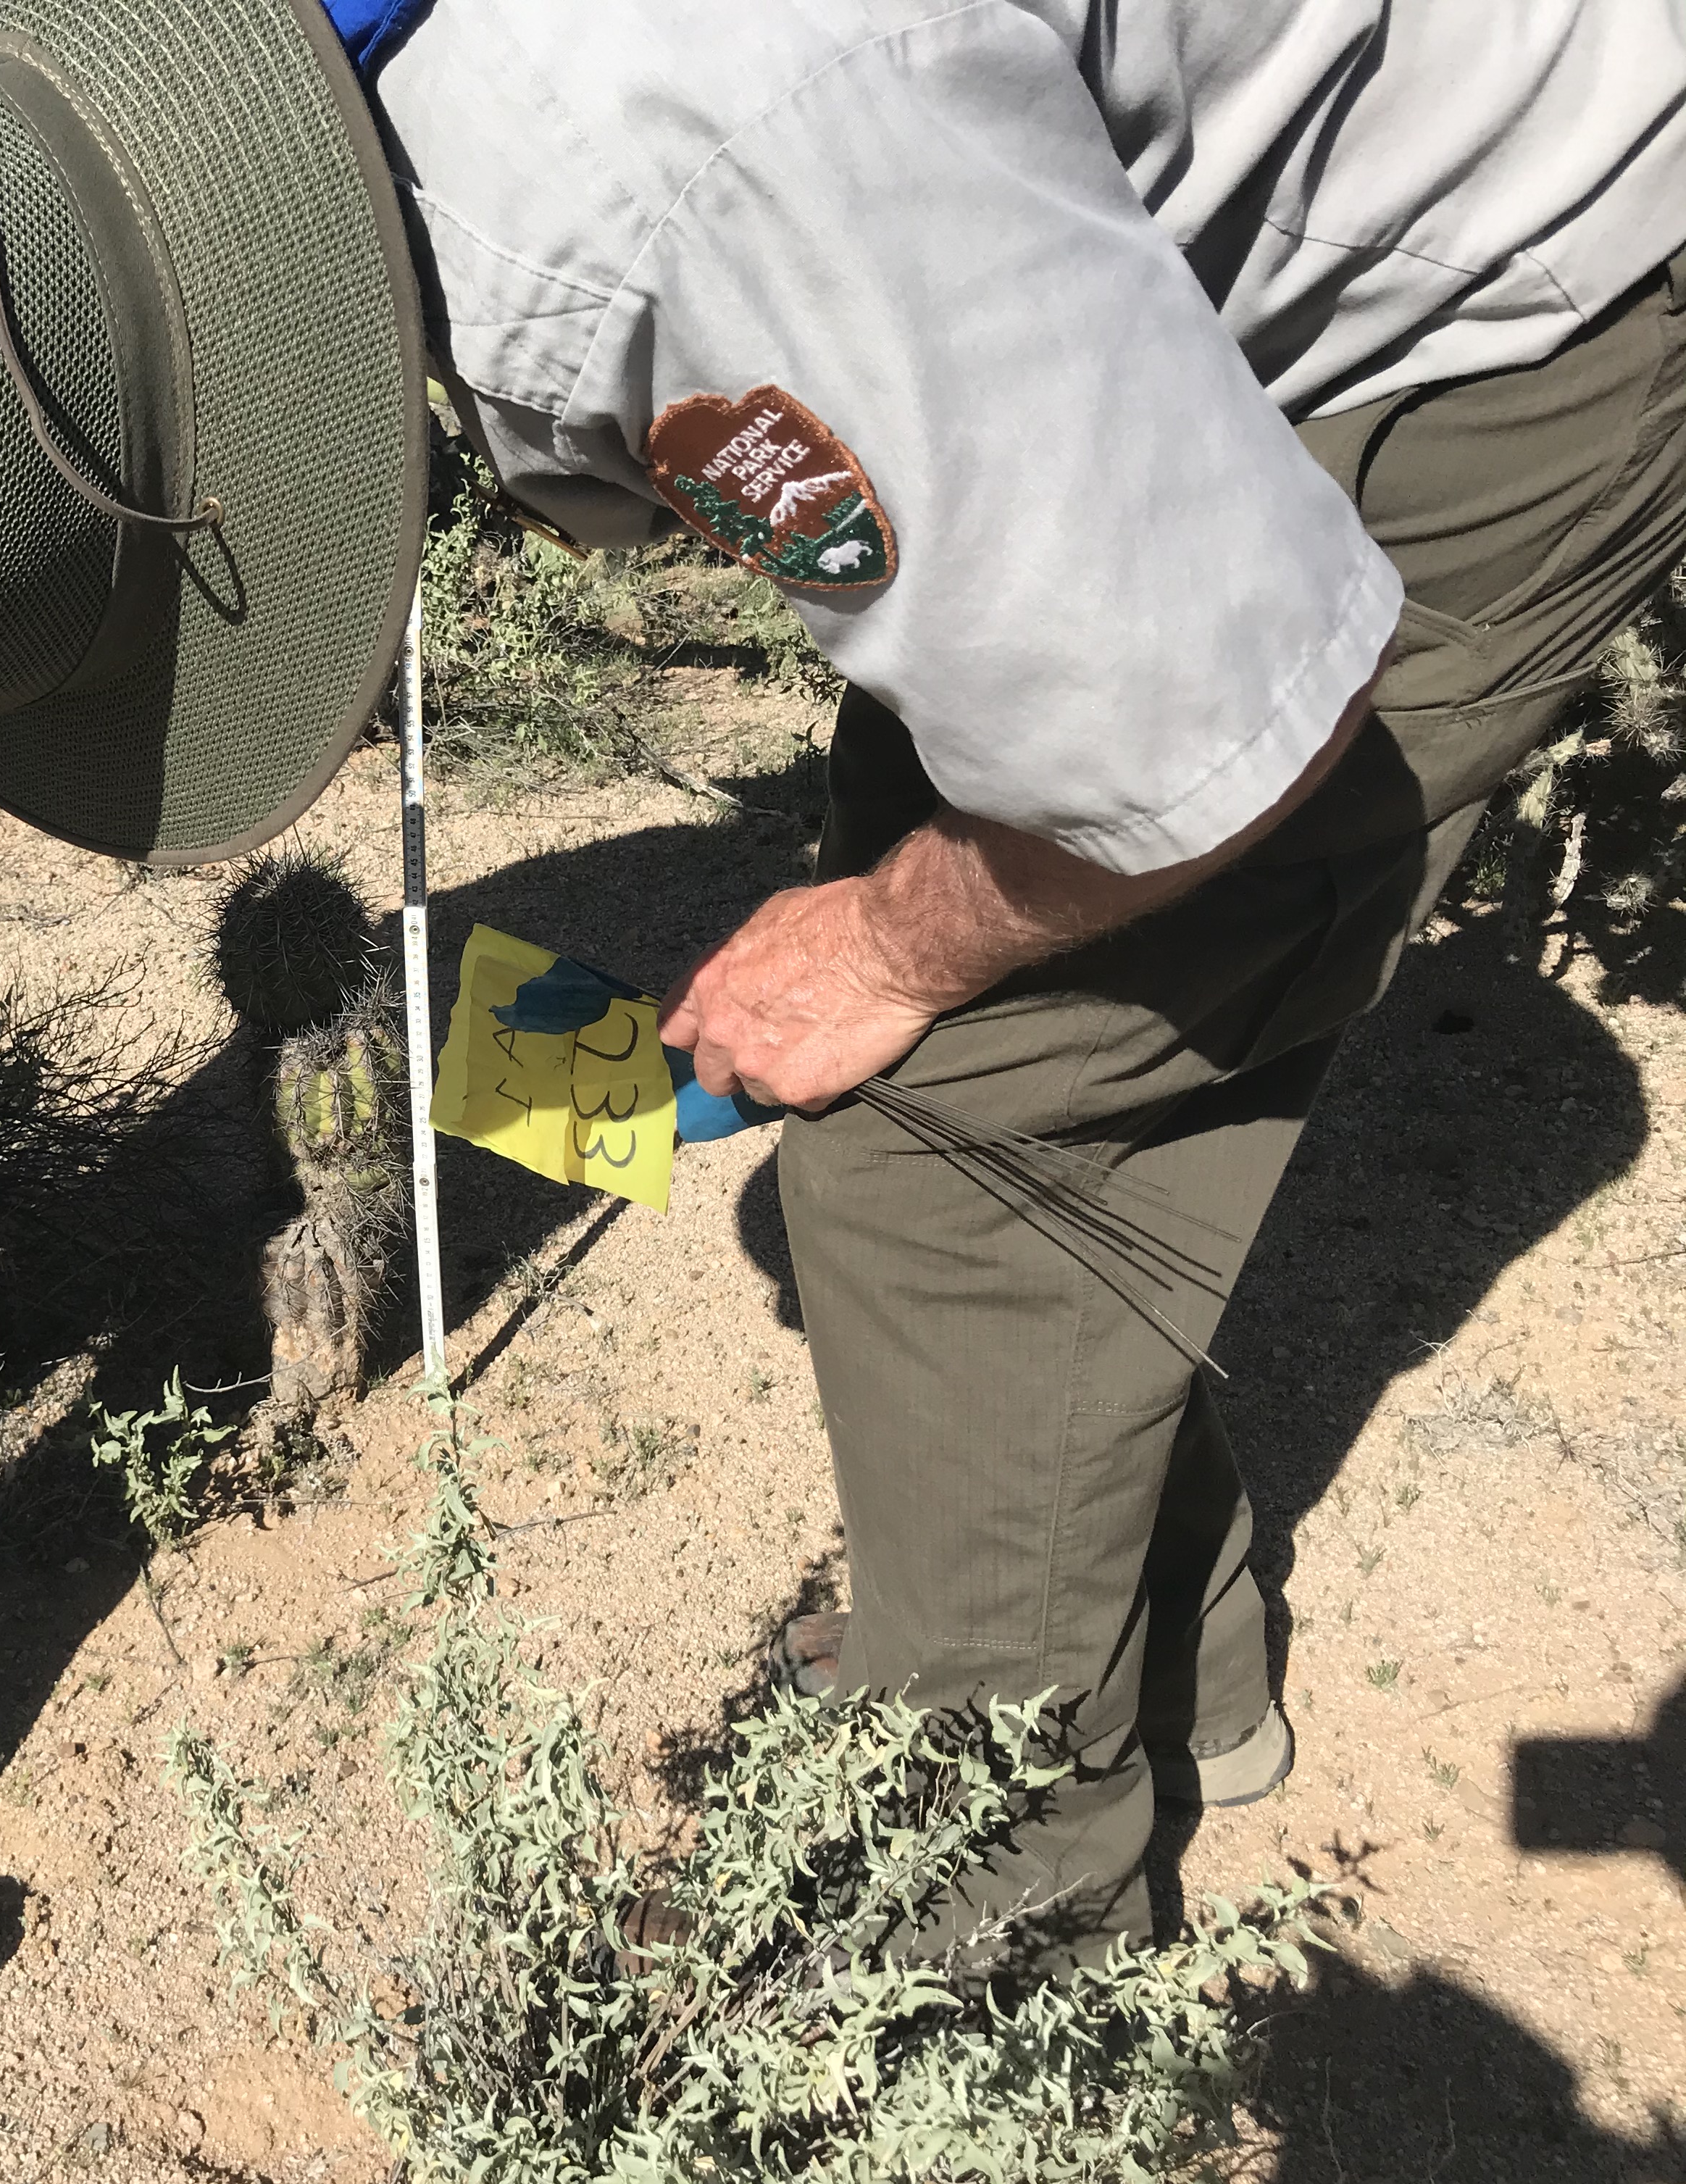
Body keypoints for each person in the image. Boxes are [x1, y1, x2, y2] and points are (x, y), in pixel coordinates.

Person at [367, 0, 1686, 1956]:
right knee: (994, 1065)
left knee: (927, 1168)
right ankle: (1180, 1684)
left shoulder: (647, 164)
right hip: (1182, 249)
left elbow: (1180, 734)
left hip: (1520, 293)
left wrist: (894, 945)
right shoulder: (631, 151)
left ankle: (1000, 1910)